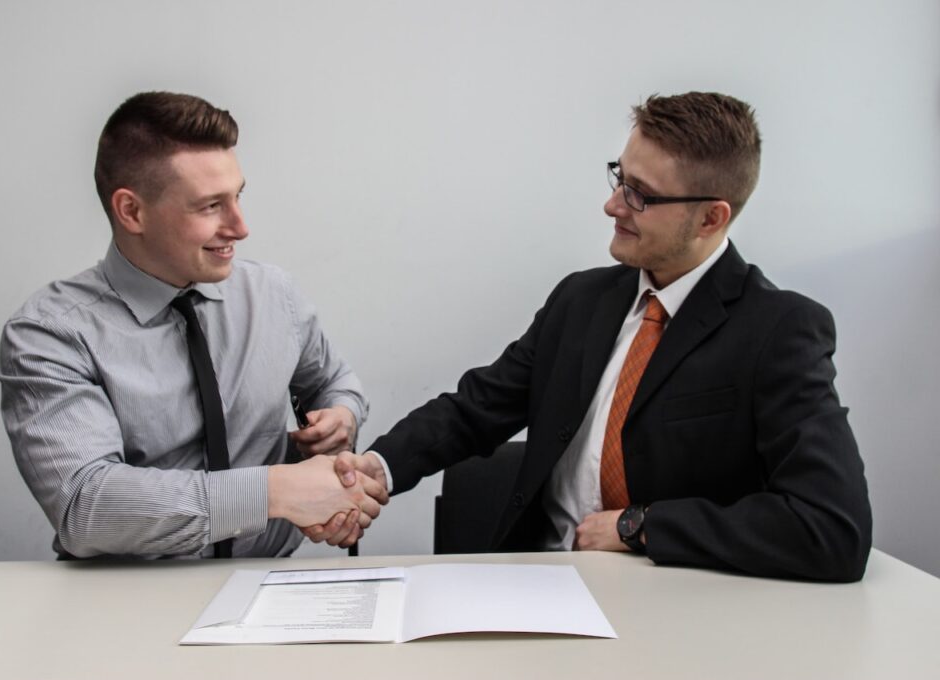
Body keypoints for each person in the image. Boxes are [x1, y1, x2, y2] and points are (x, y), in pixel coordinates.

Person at [318, 92, 872, 582]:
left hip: (677, 611)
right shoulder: (581, 301)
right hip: (538, 586)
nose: (613, 205)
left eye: (640, 195)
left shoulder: (779, 331)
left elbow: (832, 528)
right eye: (619, 178)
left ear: (710, 218)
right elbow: (476, 409)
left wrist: (640, 527)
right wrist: (377, 468)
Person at [0, 91, 382, 559]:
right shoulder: (50, 334)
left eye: (238, 196)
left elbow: (334, 382)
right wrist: (274, 491)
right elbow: (86, 506)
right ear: (132, 211)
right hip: (123, 602)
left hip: (269, 585)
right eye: (210, 206)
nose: (240, 227)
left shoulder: (274, 295)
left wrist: (340, 417)